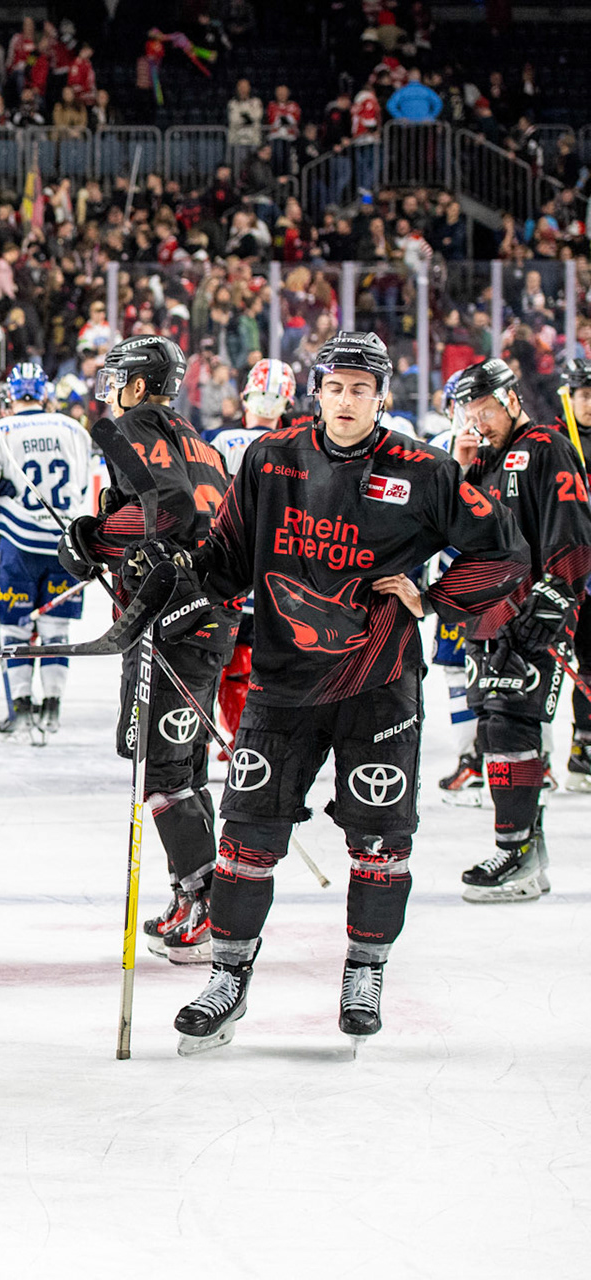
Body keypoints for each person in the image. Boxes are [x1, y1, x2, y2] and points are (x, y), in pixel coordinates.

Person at [174, 334, 527, 1053]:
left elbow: (503, 551)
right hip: (280, 685)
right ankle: (227, 978)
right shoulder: (270, 460)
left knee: (380, 841)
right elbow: (226, 561)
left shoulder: (422, 469)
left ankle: (365, 971)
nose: (346, 400)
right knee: (246, 835)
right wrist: (167, 581)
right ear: (317, 391)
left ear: (382, 396)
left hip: (381, 685)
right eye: (335, 387)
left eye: (361, 389)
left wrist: (434, 598)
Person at [58, 335, 239, 966]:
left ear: (137, 385)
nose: (109, 390)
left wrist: (96, 536)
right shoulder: (205, 444)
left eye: (116, 379)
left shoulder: (129, 426)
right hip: (212, 618)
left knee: (157, 767)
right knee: (185, 765)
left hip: (172, 619)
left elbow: (172, 514)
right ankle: (193, 894)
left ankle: (208, 903)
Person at [446, 358, 591, 902]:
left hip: (532, 616)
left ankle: (519, 851)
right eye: (469, 411)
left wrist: (555, 600)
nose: (477, 420)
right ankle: (525, 846)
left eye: (484, 408)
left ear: (510, 400)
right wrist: (457, 471)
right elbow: (456, 535)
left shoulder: (546, 446)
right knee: (495, 732)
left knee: (511, 728)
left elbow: (573, 528)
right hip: (490, 619)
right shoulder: (479, 461)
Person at [0, 362, 91, 743]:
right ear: (45, 395)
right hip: (67, 547)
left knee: (15, 628)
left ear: (11, 396)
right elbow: (82, 491)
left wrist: (5, 493)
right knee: (57, 630)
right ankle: (51, 708)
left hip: (19, 548)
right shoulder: (74, 429)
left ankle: (20, 707)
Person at [206, 357, 296, 742]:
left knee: (236, 660)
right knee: (252, 660)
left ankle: (241, 737)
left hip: (247, 569)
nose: (263, 404)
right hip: (274, 571)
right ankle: (249, 738)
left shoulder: (224, 441)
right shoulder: (301, 440)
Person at [558, 358, 591, 791]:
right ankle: (580, 746)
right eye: (584, 395)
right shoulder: (557, 444)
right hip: (571, 574)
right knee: (578, 663)